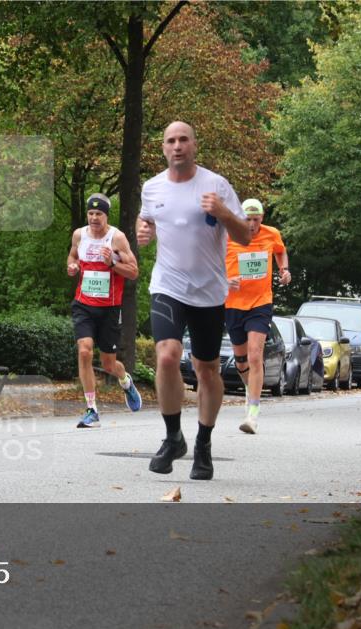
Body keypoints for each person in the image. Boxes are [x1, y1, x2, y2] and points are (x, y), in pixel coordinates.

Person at [136, 121, 251, 481]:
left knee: (207, 370)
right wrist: (144, 231)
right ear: (164, 148)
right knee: (168, 355)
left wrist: (225, 213)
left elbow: (246, 236)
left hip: (209, 292)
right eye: (170, 141)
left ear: (194, 145)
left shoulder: (216, 185)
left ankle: (203, 443)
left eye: (183, 139)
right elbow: (150, 222)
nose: (177, 146)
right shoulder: (151, 187)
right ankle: (173, 437)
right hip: (168, 285)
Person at [66, 192, 142, 427]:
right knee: (85, 351)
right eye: (90, 213)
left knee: (109, 364)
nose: (94, 218)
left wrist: (113, 263)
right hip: (84, 304)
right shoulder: (79, 235)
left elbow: (134, 272)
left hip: (109, 308)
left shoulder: (116, 238)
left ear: (106, 215)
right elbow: (72, 256)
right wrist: (71, 266)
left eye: (99, 213)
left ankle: (125, 380)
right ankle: (91, 409)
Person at [223, 198, 290, 434]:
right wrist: (225, 279)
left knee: (254, 355)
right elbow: (211, 265)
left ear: (262, 218)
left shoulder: (271, 234)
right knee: (241, 360)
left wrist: (284, 270)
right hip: (232, 304)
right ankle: (251, 388)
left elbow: (281, 252)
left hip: (260, 303)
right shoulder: (227, 235)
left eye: (256, 219)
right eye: (247, 219)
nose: (251, 224)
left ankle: (252, 413)